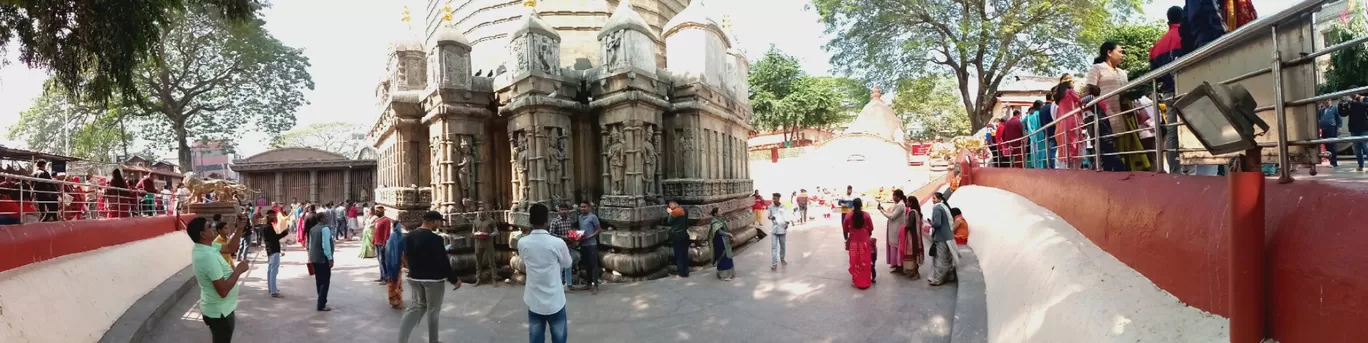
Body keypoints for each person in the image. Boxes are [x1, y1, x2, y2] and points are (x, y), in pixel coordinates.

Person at [398, 211, 457, 343]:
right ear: (433, 221)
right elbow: (444, 262)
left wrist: (412, 269)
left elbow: (405, 256)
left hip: (415, 278)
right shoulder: (436, 239)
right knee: (433, 310)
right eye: (439, 221)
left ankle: (402, 340)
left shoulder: (409, 236)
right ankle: (433, 340)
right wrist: (454, 280)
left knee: (416, 307)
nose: (440, 224)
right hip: (433, 280)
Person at [187, 217, 248, 343]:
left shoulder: (207, 246)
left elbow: (230, 248)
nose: (213, 227)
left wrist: (240, 228)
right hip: (220, 313)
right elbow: (223, 291)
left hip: (221, 309)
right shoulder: (206, 256)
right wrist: (238, 270)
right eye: (209, 226)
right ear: (202, 234)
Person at [518, 203, 573, 343]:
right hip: (555, 300)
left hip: (534, 299)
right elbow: (568, 263)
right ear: (547, 221)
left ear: (530, 221)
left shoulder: (523, 243)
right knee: (559, 339)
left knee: (536, 339)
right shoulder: (557, 243)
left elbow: (524, 261)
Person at [306, 212, 335, 311]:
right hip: (323, 258)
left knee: (319, 280)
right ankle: (321, 304)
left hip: (314, 257)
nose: (327, 218)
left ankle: (320, 299)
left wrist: (310, 256)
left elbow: (310, 244)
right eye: (326, 217)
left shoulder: (312, 229)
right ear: (322, 218)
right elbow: (326, 245)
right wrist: (330, 258)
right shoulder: (325, 229)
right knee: (325, 281)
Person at [843, 198, 874, 289]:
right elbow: (871, 227)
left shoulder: (849, 215)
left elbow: (845, 228)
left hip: (854, 242)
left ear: (853, 205)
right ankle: (865, 280)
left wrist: (851, 230)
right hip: (864, 242)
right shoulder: (866, 215)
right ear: (861, 205)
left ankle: (855, 280)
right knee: (865, 261)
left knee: (855, 261)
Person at [928, 193, 957, 286]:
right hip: (948, 236)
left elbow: (937, 223)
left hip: (941, 237)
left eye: (934, 198)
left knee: (940, 258)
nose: (933, 200)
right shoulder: (944, 206)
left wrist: (931, 223)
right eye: (932, 198)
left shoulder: (937, 208)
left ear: (939, 199)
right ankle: (949, 276)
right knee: (947, 257)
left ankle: (938, 279)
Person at [877, 190, 907, 275]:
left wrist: (881, 211)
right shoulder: (898, 204)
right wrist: (883, 209)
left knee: (897, 248)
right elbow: (891, 214)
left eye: (894, 196)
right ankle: (897, 265)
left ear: (898, 197)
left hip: (896, 230)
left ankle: (899, 266)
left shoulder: (900, 205)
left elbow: (892, 216)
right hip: (894, 229)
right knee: (895, 248)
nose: (893, 198)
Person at [260, 210, 288, 298]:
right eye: (273, 216)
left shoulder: (265, 226)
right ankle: (274, 291)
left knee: (270, 269)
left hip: (269, 250)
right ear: (270, 216)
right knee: (274, 271)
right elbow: (275, 238)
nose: (275, 218)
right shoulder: (268, 227)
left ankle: (271, 288)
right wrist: (285, 232)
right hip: (274, 249)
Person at [575, 201, 601, 294]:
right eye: (581, 207)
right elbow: (581, 230)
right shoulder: (580, 217)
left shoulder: (593, 217)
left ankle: (596, 286)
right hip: (583, 244)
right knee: (587, 265)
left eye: (584, 207)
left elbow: (598, 229)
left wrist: (590, 236)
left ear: (589, 207)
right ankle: (588, 283)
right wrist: (577, 236)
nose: (582, 209)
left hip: (591, 244)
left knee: (594, 265)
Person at [381, 215, 407, 309]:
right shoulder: (401, 236)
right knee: (398, 280)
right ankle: (398, 298)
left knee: (392, 280)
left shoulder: (392, 236)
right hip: (399, 261)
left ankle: (393, 300)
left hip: (392, 261)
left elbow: (389, 250)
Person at [473, 205, 500, 287]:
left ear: (486, 211)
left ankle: (494, 279)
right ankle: (478, 279)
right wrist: (475, 234)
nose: (481, 212)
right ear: (478, 212)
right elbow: (473, 231)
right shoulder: (475, 221)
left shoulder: (491, 221)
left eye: (483, 210)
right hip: (478, 243)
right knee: (478, 262)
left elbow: (496, 231)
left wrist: (489, 234)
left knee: (491, 261)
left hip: (488, 243)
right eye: (480, 210)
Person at [1340, 95, 1368, 171]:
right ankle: (1361, 166)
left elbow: (1364, 106)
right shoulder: (1349, 102)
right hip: (1354, 129)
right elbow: (1343, 113)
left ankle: (1361, 165)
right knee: (1357, 149)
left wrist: (1353, 102)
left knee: (1366, 148)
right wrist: (1341, 104)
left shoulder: (1363, 99)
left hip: (1363, 128)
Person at [707, 207, 735, 281]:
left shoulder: (720, 220)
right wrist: (728, 234)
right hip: (720, 242)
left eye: (721, 210)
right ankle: (723, 276)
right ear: (715, 213)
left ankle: (729, 273)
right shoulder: (715, 222)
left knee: (728, 257)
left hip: (724, 240)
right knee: (723, 258)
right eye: (720, 211)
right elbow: (719, 232)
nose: (721, 212)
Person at [903, 196, 926, 279]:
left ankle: (916, 273)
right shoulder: (917, 211)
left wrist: (904, 227)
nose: (906, 203)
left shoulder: (912, 212)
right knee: (915, 252)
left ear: (911, 203)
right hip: (917, 235)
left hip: (912, 236)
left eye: (908, 202)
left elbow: (909, 224)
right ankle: (913, 271)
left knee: (912, 252)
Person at [767, 192, 791, 271]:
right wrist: (771, 217)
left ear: (779, 199)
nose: (773, 200)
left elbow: (787, 216)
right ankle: (774, 264)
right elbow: (768, 216)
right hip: (774, 230)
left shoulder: (784, 207)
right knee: (774, 247)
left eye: (775, 198)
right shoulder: (770, 207)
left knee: (782, 246)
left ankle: (782, 259)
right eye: (773, 198)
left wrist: (787, 223)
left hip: (782, 229)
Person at [667, 200, 690, 278]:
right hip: (685, 233)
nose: (670, 207)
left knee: (678, 254)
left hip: (677, 235)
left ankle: (681, 273)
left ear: (673, 204)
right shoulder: (685, 211)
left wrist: (670, 213)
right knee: (685, 253)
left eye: (670, 205)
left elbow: (669, 222)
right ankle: (686, 271)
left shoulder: (674, 212)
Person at [372, 206, 393, 283]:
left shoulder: (386, 220)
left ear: (381, 212)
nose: (376, 213)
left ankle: (386, 277)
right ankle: (382, 276)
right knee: (379, 260)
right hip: (377, 242)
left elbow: (386, 233)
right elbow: (375, 231)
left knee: (383, 260)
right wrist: (373, 241)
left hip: (382, 243)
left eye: (377, 211)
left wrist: (385, 243)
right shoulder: (377, 220)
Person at [1320, 100, 1342, 168]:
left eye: (1328, 100)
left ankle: (1334, 162)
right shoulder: (1321, 110)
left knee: (1332, 145)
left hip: (1331, 128)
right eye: (1325, 100)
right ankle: (1330, 161)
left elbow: (1339, 119)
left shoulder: (1334, 108)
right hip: (1323, 129)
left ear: (1330, 101)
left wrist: (1339, 127)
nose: (1326, 102)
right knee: (1326, 145)